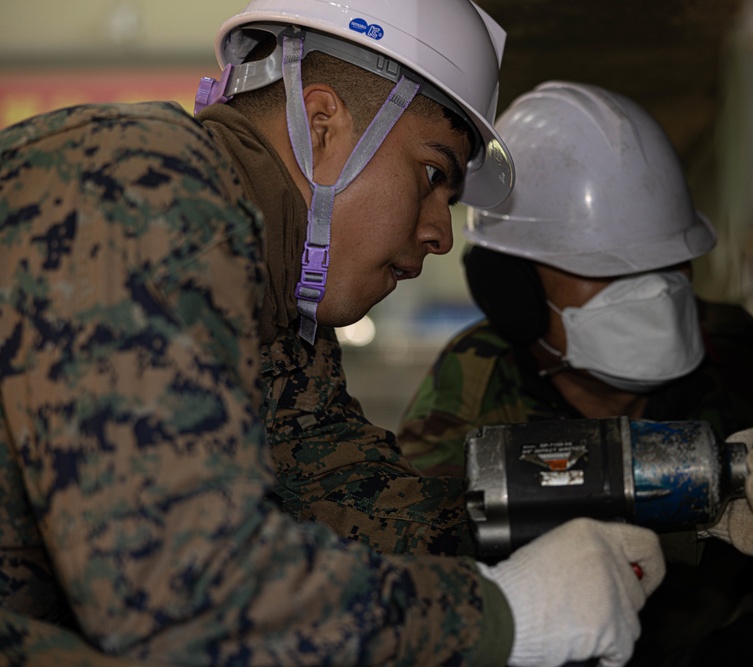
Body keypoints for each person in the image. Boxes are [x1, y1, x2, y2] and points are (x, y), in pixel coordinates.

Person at [0, 4, 668, 666]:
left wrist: (681, 486)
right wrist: (504, 615)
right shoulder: (143, 194)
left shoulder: (275, 298)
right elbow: (186, 600)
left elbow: (367, 512)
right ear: (324, 125)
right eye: (434, 175)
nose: (441, 234)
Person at [396, 81, 753, 666]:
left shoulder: (738, 355)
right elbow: (427, 581)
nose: (657, 291)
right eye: (606, 270)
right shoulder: (469, 394)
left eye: (670, 260)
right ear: (513, 293)